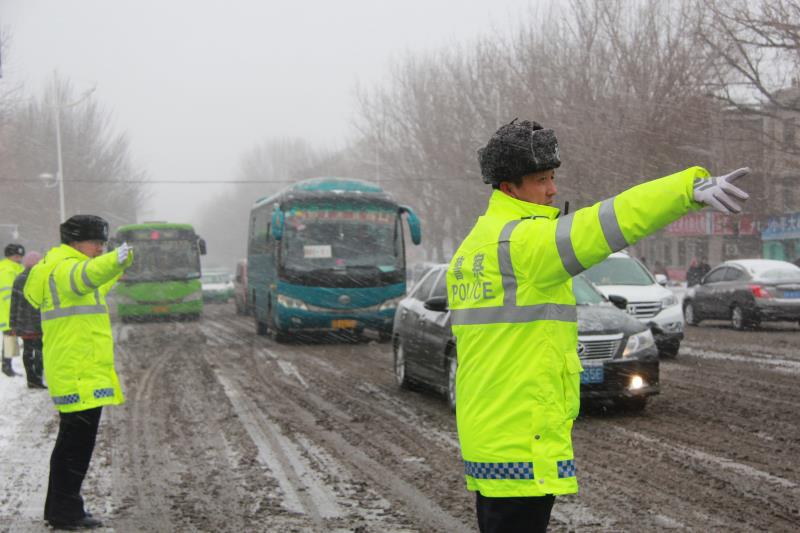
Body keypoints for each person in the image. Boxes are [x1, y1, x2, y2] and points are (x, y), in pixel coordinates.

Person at [446, 119, 751, 533]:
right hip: (522, 438)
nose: (553, 189)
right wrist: (683, 190)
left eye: (553, 177)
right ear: (509, 187)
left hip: (491, 432)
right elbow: (610, 221)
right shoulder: (524, 244)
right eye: (541, 179)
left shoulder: (474, 247)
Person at [23, 215, 133, 530]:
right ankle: (66, 511)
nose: (99, 248)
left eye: (102, 243)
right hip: (77, 370)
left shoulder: (62, 267)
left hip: (76, 368)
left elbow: (91, 282)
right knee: (75, 447)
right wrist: (113, 260)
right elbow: (84, 278)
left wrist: (116, 268)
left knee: (71, 443)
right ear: (75, 241)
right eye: (95, 242)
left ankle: (60, 506)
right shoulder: (65, 268)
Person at [10, 251, 46, 388]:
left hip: (23, 322)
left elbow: (13, 304)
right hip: (38, 322)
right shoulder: (41, 278)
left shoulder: (18, 279)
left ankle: (31, 378)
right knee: (39, 350)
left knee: (27, 350)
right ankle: (37, 378)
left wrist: (13, 324)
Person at [1, 243, 26, 377]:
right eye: (15, 255)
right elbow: (7, 293)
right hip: (8, 311)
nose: (18, 258)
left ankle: (7, 365)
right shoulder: (7, 269)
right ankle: (6, 366)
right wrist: (16, 309)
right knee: (9, 339)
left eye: (20, 255)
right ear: (9, 256)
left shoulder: (16, 268)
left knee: (11, 339)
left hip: (12, 310)